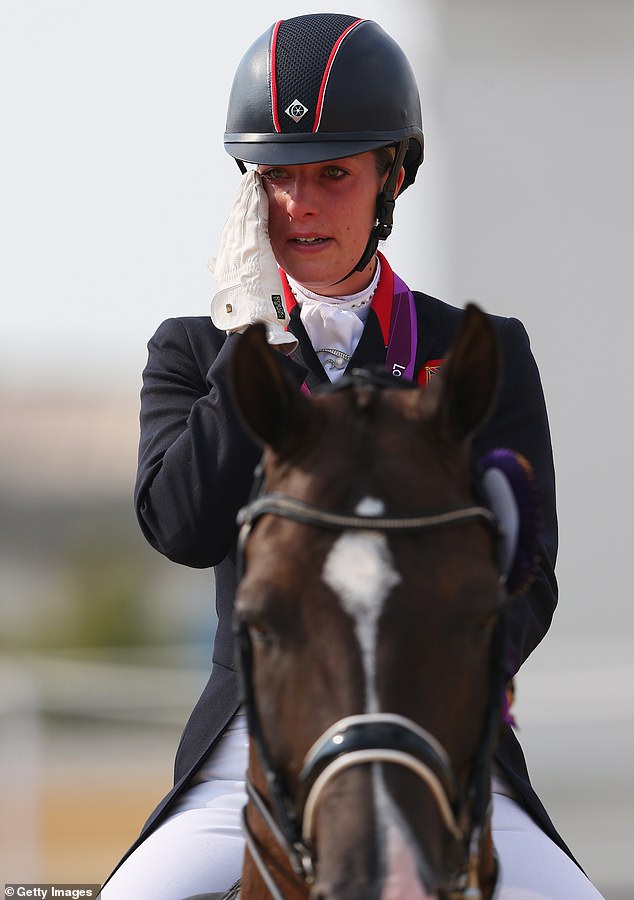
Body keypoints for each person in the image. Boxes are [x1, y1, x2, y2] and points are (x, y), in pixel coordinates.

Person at [99, 13, 603, 900]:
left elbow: (529, 577)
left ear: (392, 178)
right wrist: (250, 334)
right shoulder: (194, 351)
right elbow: (182, 526)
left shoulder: (477, 353)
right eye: (278, 176)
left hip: (438, 746)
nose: (301, 205)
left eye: (334, 173)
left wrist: (440, 684)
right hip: (252, 753)